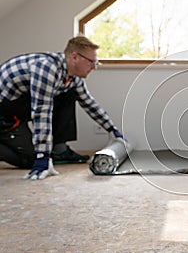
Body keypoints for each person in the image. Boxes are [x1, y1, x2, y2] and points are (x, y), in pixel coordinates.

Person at [0, 35, 124, 180]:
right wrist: (42, 157)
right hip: (5, 114)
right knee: (30, 159)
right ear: (75, 57)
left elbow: (89, 103)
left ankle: (59, 149)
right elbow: (41, 112)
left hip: (21, 107)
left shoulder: (73, 77)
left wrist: (113, 131)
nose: (94, 67)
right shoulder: (47, 68)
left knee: (70, 94)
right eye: (91, 62)